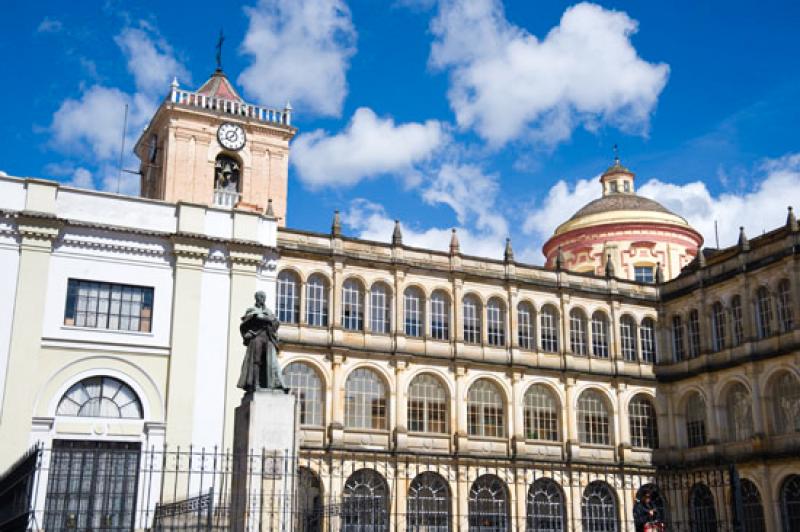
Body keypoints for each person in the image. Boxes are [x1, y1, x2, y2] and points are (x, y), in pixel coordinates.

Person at [237, 291, 288, 392]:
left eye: (264, 297)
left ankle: (273, 383)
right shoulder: (252, 310)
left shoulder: (268, 311)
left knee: (271, 361)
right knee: (256, 361)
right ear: (256, 298)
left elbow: (275, 322)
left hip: (268, 338)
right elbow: (250, 318)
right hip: (257, 337)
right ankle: (255, 384)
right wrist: (263, 318)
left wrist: (269, 319)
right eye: (260, 297)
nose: (262, 299)